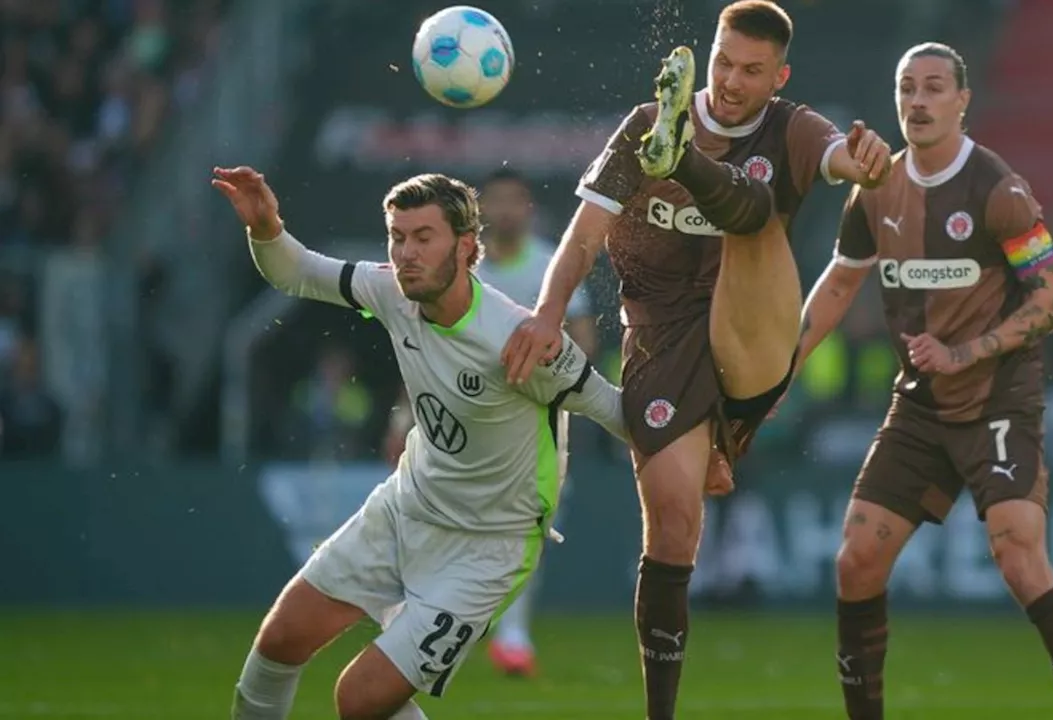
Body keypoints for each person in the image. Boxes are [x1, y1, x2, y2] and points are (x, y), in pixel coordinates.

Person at [501, 2, 891, 717]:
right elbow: (585, 237)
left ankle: (684, 163)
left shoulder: (793, 126)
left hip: (752, 325)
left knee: (758, 211)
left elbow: (838, 156)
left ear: (781, 75)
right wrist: (549, 313)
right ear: (708, 53)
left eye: (751, 70)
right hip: (658, 336)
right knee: (676, 523)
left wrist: (860, 160)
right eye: (722, 62)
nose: (733, 80)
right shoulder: (641, 123)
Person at [213, 166, 628, 720]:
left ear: (466, 247)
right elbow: (296, 274)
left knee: (359, 699)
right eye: (398, 237)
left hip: (487, 549)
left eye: (423, 238)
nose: (406, 253)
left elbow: (612, 408)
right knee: (279, 642)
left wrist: (706, 452)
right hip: (406, 508)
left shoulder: (516, 339)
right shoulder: (391, 291)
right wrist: (266, 228)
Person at [793, 43, 1053, 720]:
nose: (917, 100)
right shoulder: (875, 187)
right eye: (907, 87)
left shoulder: (998, 189)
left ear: (962, 101)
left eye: (934, 88)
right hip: (920, 406)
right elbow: (843, 279)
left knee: (1018, 553)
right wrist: (780, 368)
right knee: (854, 563)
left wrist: (966, 353)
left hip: (997, 396)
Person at [476, 165, 598, 676]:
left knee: (533, 525)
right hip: (474, 415)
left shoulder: (551, 264)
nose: (505, 210)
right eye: (495, 200)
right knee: (470, 525)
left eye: (515, 200)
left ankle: (513, 634)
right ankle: (461, 617)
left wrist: (567, 391)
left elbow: (585, 337)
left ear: (527, 208)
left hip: (538, 418)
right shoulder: (467, 272)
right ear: (479, 209)